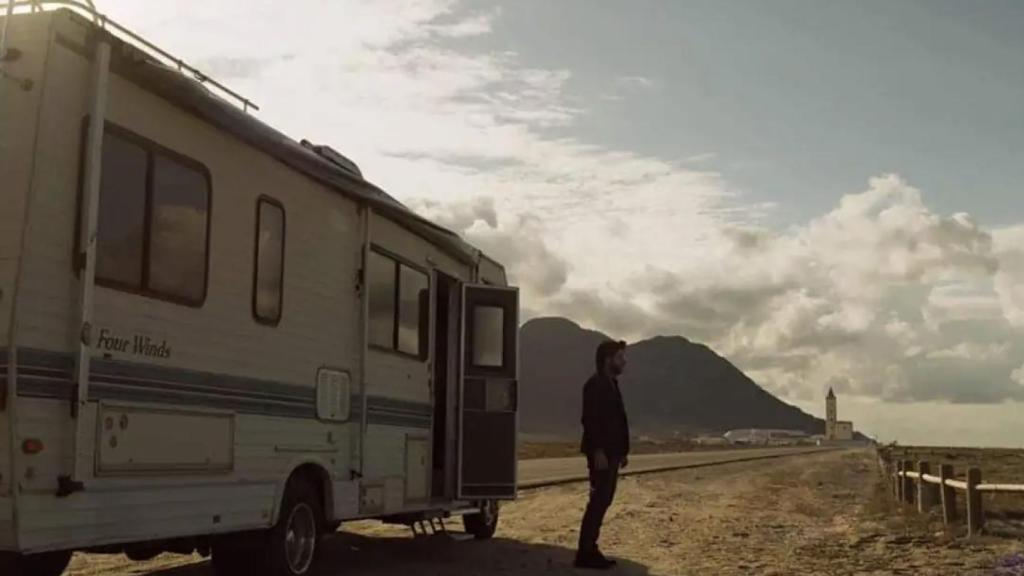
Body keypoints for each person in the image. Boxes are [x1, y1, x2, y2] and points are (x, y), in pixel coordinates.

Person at [575, 340, 630, 570]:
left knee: (604, 500)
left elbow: (617, 421)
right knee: (598, 501)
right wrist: (597, 450)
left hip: (612, 453)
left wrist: (623, 451)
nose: (624, 361)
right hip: (602, 455)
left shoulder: (610, 384)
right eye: (620, 357)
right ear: (608, 360)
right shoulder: (595, 385)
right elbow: (590, 420)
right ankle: (585, 552)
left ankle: (590, 548)